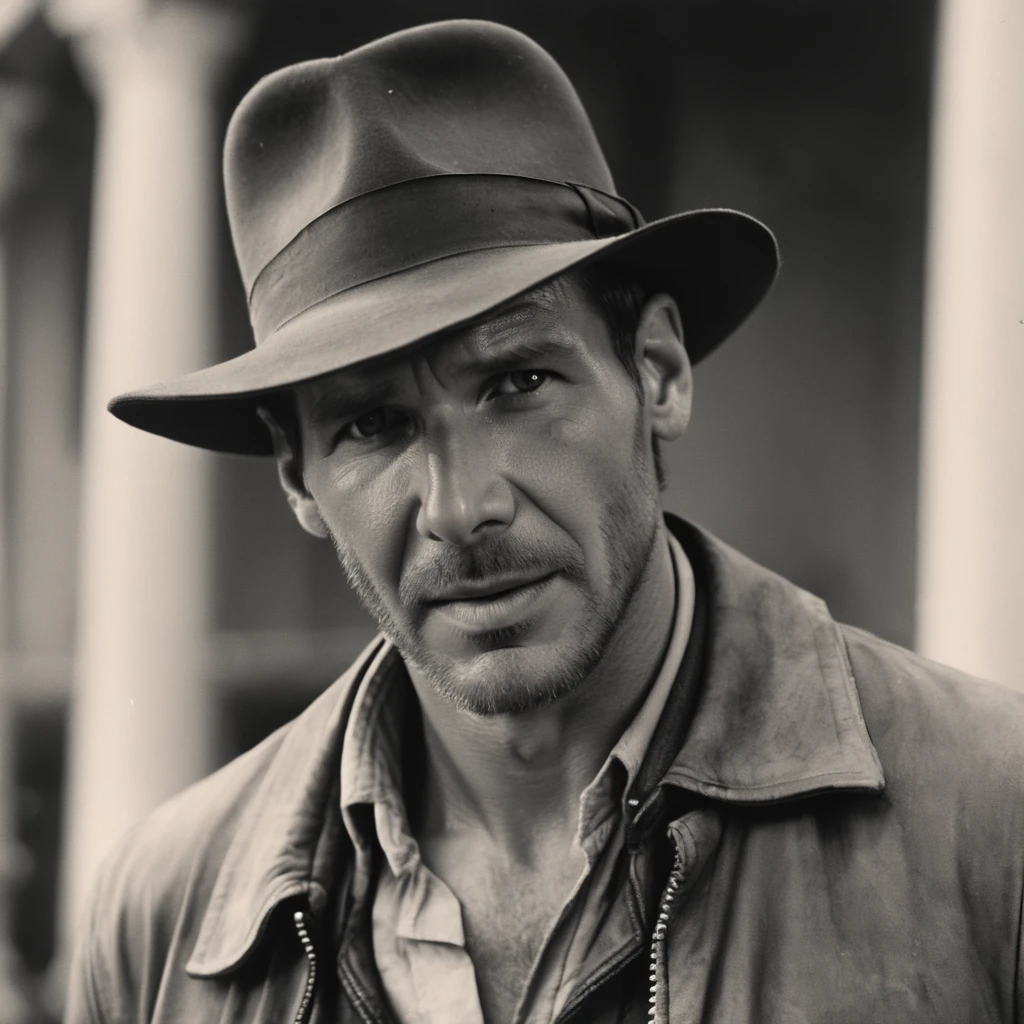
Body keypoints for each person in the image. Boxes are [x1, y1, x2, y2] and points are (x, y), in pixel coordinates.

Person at [65, 19, 1024, 1024]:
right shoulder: (164, 925)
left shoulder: (988, 824)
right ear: (299, 479)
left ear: (656, 372)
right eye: (372, 424)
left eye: (518, 381)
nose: (459, 505)